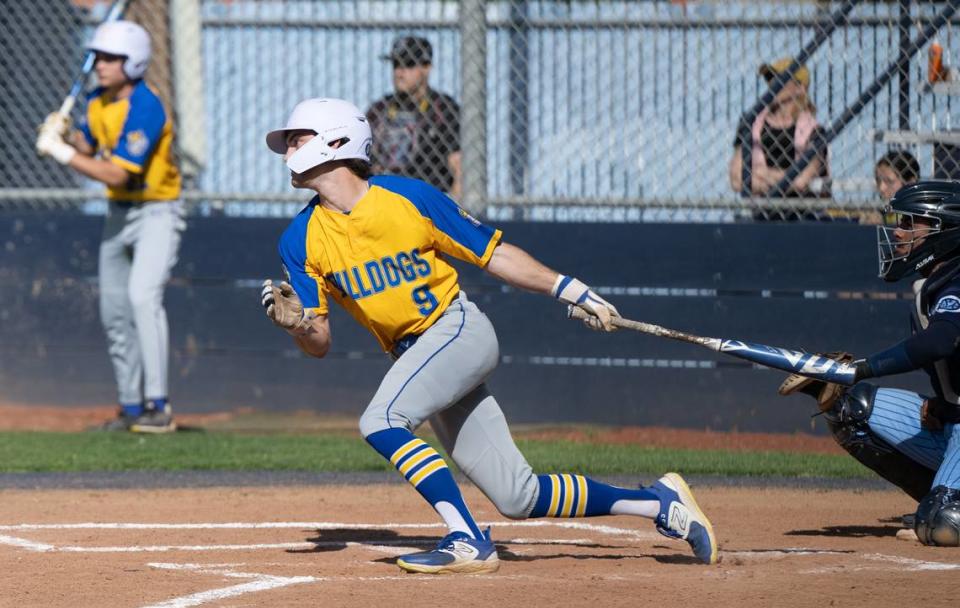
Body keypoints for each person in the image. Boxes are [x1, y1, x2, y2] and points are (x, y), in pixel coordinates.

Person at [260, 97, 719, 574]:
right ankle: (659, 504)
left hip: (457, 330)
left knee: (382, 421)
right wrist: (297, 325)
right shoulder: (300, 238)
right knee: (518, 495)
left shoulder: (407, 198)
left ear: (337, 139)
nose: (288, 150)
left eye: (298, 138)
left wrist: (571, 289)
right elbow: (320, 343)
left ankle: (465, 537)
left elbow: (493, 254)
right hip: (415, 358)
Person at [779, 180, 960, 547]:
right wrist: (941, 406)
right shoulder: (935, 283)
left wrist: (862, 367)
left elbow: (943, 340)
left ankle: (944, 505)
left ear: (944, 231)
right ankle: (939, 498)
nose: (899, 231)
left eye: (911, 223)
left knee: (943, 524)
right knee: (851, 411)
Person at [35, 20, 183, 433]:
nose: (99, 64)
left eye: (109, 58)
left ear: (132, 63)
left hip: (157, 211)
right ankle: (131, 407)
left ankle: (160, 407)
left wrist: (62, 155)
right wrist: (63, 133)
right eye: (98, 56)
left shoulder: (146, 106)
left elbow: (117, 173)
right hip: (119, 214)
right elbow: (89, 143)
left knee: (141, 298)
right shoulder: (99, 101)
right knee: (114, 310)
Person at [729, 58, 830, 218]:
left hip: (804, 216)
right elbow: (736, 180)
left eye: (780, 79)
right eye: (770, 79)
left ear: (800, 88)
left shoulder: (814, 130)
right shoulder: (750, 123)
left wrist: (759, 175)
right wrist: (786, 178)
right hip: (760, 214)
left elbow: (802, 181)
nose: (772, 84)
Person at [366, 36, 462, 200]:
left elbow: (460, 169)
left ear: (426, 67)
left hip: (426, 205)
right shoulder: (379, 110)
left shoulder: (443, 109)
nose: (399, 72)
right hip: (383, 204)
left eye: (408, 64)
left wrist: (451, 214)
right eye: (396, 65)